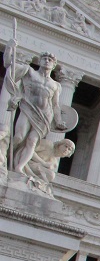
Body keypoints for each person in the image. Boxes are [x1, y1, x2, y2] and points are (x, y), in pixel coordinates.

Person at [3, 40, 65, 177]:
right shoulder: (29, 72)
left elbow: (55, 105)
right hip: (28, 108)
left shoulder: (55, 85)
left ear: (54, 65)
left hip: (45, 116)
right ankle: (5, 159)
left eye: (50, 60)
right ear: (40, 61)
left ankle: (19, 167)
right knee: (19, 136)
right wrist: (9, 49)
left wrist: (59, 120)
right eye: (44, 59)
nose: (47, 61)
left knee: (32, 141)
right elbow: (9, 65)